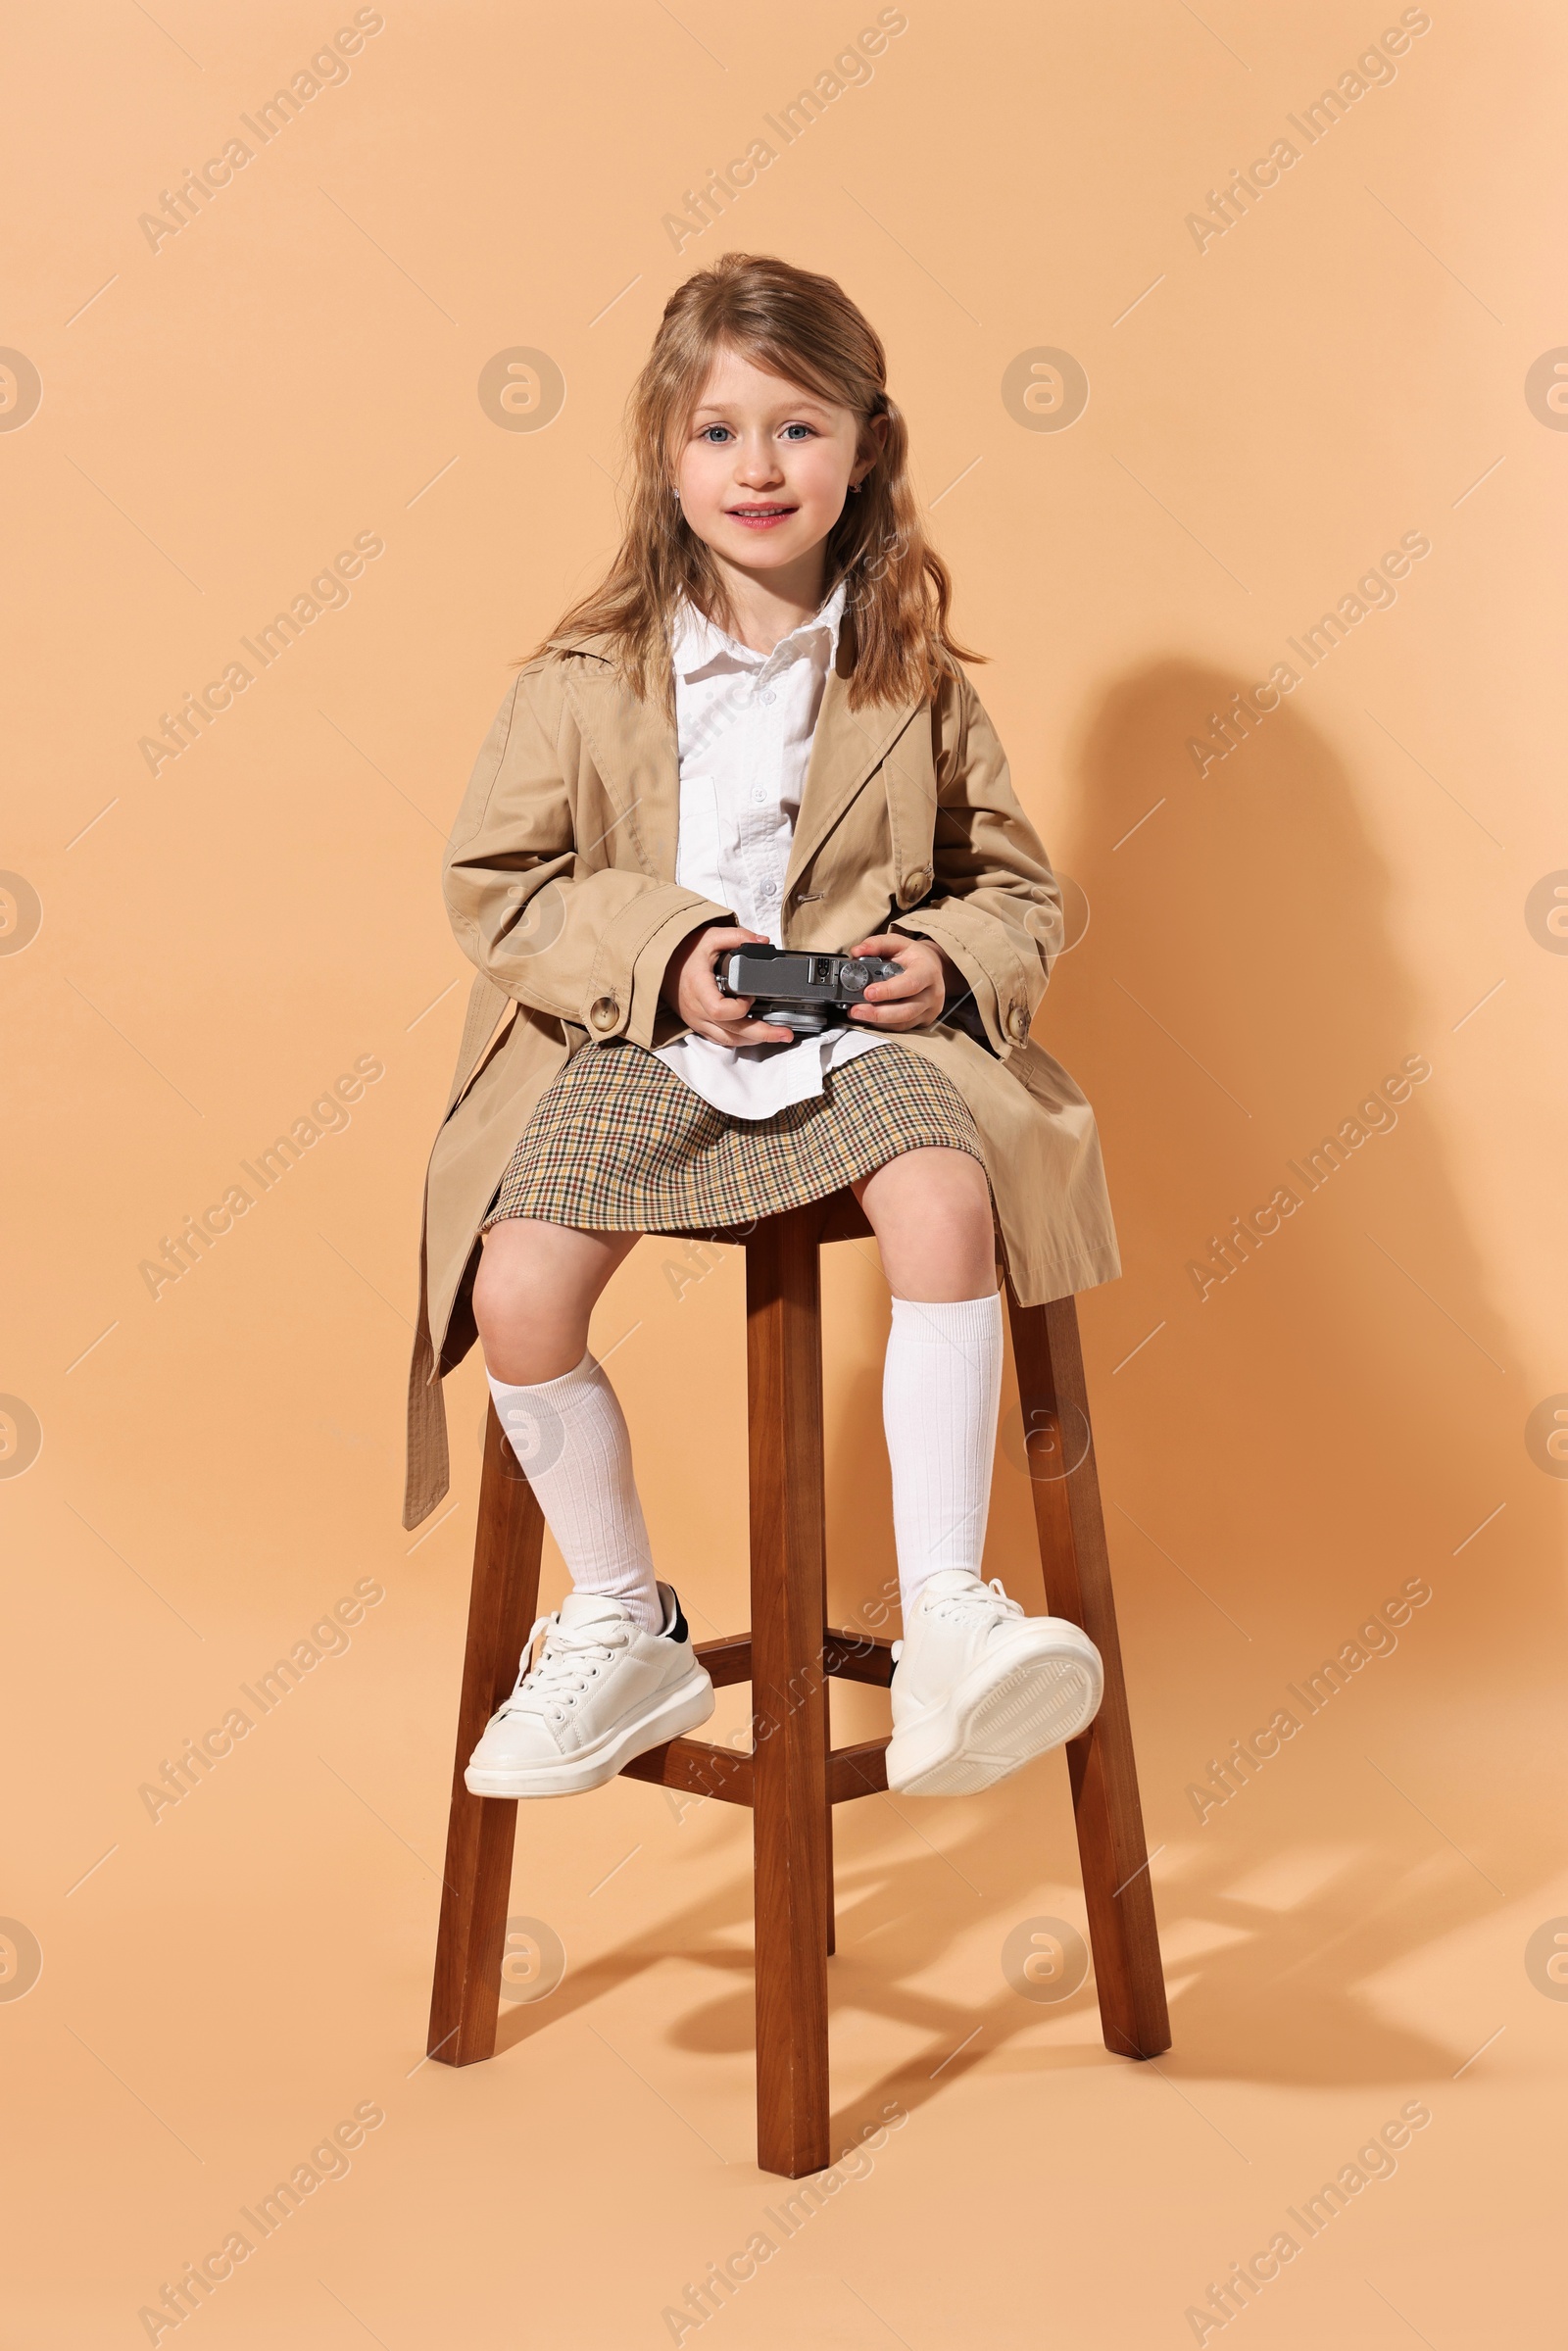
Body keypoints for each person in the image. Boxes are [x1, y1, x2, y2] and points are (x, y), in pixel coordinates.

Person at [403, 253, 1121, 1802]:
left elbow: (1015, 888)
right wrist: (666, 957)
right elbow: (501, 887)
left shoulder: (915, 674)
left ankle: (943, 1621)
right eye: (719, 432)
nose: (758, 467)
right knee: (518, 1277)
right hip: (641, 1041)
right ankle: (617, 1615)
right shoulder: (583, 678)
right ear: (666, 455)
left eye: (797, 429)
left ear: (867, 446)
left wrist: (942, 955)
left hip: (859, 1049)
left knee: (946, 1201)